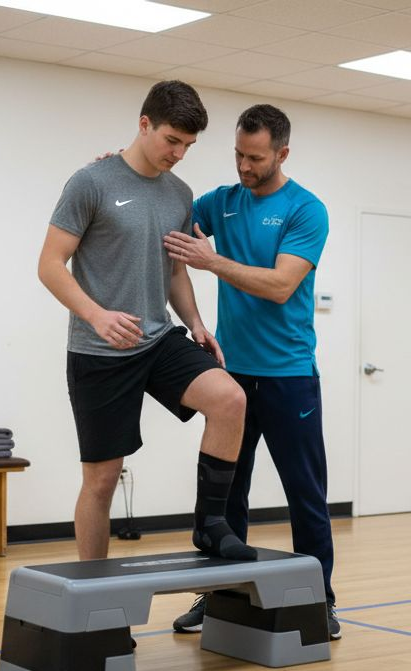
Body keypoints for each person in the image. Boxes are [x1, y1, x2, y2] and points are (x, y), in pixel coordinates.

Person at [37, 80, 255, 563]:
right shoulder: (90, 183)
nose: (178, 153)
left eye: (188, 145)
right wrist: (96, 315)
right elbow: (50, 265)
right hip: (100, 350)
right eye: (171, 140)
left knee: (229, 399)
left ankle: (212, 526)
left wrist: (195, 322)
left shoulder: (180, 193)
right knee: (101, 481)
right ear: (144, 125)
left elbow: (175, 268)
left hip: (157, 338)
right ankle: (95, 599)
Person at [162, 104, 338, 638]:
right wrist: (119, 169)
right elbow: (163, 208)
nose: (244, 165)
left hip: (289, 377)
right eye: (238, 153)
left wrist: (211, 261)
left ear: (282, 153)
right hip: (232, 375)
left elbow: (281, 285)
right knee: (228, 495)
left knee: (305, 495)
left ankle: (320, 600)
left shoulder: (306, 210)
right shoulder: (223, 203)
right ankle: (219, 594)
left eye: (255, 157)